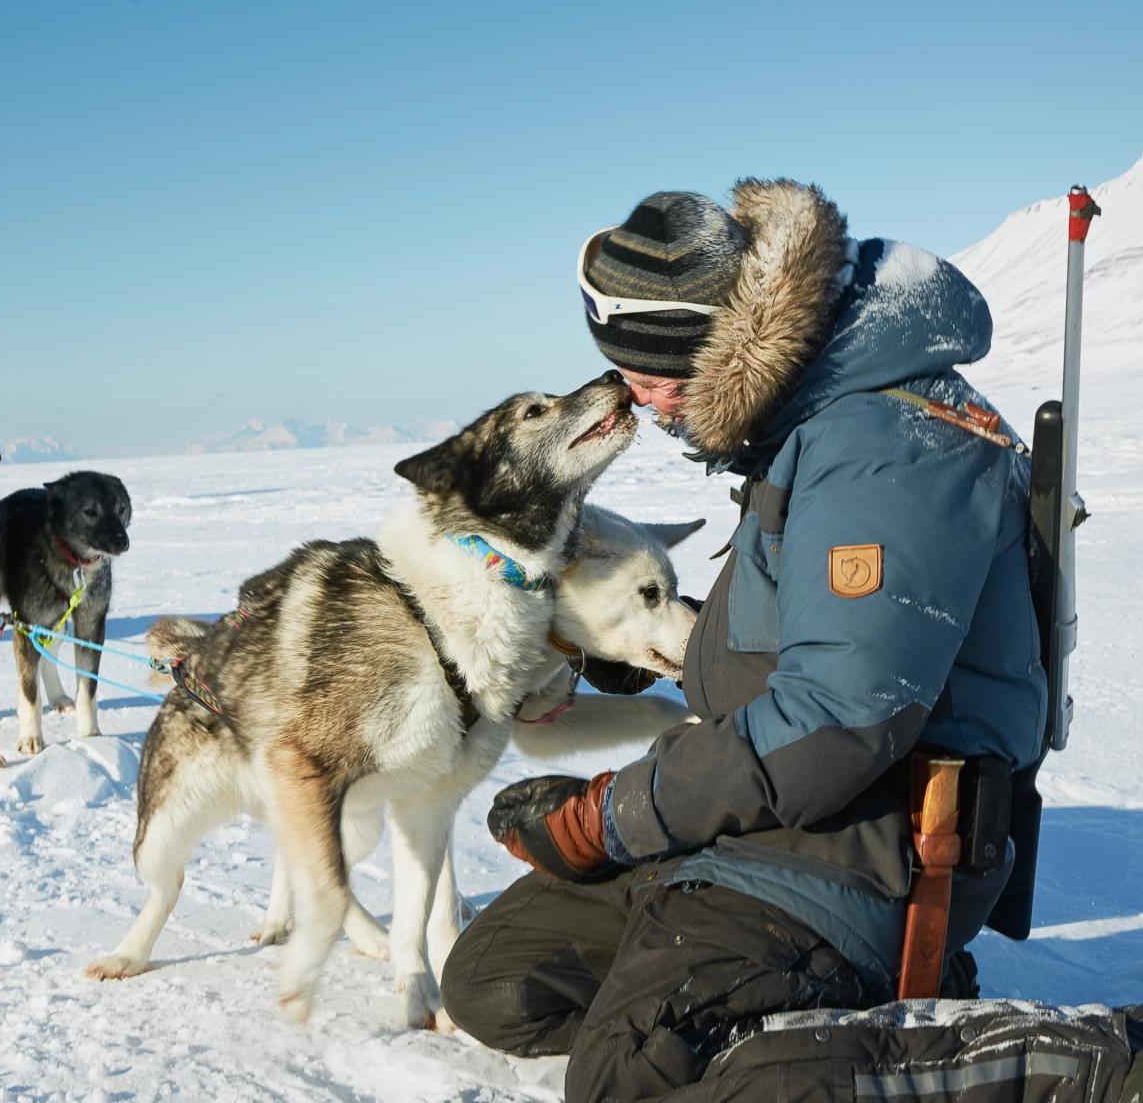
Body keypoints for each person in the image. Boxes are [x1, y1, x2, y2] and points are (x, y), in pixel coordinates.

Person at [439, 180, 1048, 1102]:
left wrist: (611, 816)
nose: (636, 403)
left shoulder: (884, 451)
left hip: (858, 845)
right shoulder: (806, 425)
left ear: (716, 351)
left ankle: (1017, 1068)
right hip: (755, 819)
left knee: (628, 1078)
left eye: (645, 376)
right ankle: (791, 1018)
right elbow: (773, 656)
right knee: (496, 985)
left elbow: (841, 717)